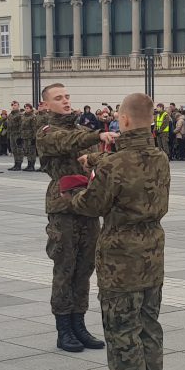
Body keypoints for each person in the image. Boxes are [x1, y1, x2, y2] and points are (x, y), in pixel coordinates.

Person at [63, 93, 170, 370]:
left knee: (122, 327)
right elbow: (132, 172)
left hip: (120, 256)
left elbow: (92, 205)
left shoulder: (113, 164)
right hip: (152, 251)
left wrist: (73, 194)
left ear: (122, 120)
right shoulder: (160, 157)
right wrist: (96, 164)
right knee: (149, 325)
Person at [36, 83, 120, 351]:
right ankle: (64, 329)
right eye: (58, 98)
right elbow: (65, 142)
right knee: (65, 268)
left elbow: (95, 162)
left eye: (67, 96)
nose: (66, 101)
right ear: (46, 105)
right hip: (63, 206)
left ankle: (79, 324)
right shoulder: (47, 131)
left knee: (84, 268)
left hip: (87, 205)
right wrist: (96, 137)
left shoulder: (84, 132)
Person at [6, 101, 25, 170]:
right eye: (12, 105)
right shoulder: (10, 115)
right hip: (12, 134)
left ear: (18, 106)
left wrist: (21, 135)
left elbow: (22, 125)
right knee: (14, 149)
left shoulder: (20, 115)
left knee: (19, 149)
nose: (13, 106)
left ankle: (19, 164)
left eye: (15, 105)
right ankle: (16, 163)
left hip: (18, 134)